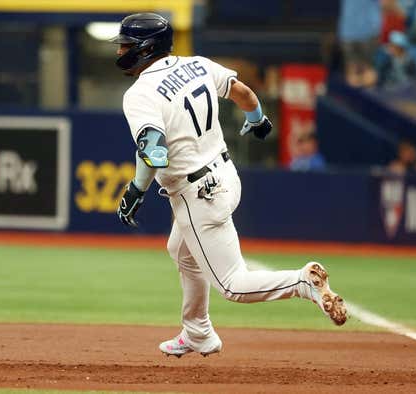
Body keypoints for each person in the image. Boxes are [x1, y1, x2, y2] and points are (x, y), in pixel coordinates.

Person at [111, 13, 348, 357]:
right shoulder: (196, 64)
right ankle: (198, 332)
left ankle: (302, 282)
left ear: (145, 49)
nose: (120, 52)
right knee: (181, 251)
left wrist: (135, 191)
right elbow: (243, 91)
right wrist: (258, 120)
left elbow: (153, 150)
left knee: (233, 285)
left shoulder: (140, 93)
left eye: (126, 46)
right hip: (225, 175)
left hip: (197, 194)